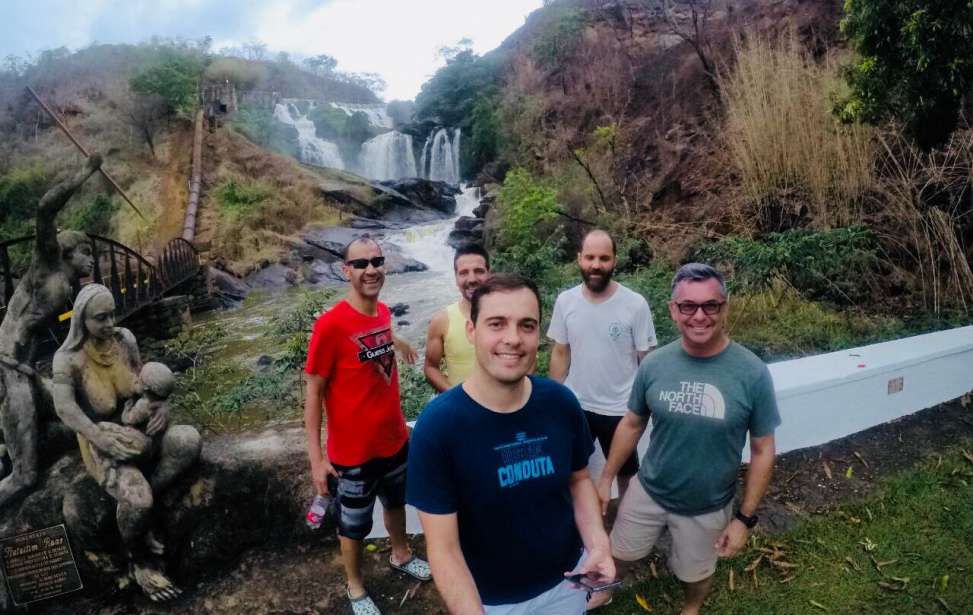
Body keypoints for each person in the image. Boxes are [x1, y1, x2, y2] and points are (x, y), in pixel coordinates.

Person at [408, 273, 616, 614]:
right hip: (489, 601)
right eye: (497, 324)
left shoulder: (561, 403)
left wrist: (597, 545)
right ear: (471, 331)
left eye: (527, 325)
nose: (513, 338)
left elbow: (578, 479)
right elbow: (443, 548)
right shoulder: (438, 427)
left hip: (568, 581)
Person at [590, 263, 781, 614]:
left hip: (707, 505)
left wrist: (745, 519)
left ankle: (692, 607)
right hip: (647, 491)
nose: (699, 316)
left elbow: (763, 448)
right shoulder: (655, 365)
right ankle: (607, 589)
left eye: (711, 305)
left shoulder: (751, 373)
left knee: (695, 573)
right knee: (621, 552)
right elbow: (632, 423)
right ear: (672, 311)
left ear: (725, 307)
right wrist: (605, 479)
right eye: (688, 306)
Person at [303, 237, 430, 615]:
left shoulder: (384, 312)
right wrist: (316, 458)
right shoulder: (329, 326)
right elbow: (313, 391)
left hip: (394, 439)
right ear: (346, 271)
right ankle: (355, 586)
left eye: (376, 261)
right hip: (352, 453)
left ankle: (401, 554)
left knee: (396, 504)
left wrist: (400, 342)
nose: (371, 269)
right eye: (360, 264)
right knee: (352, 527)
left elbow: (377, 335)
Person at [52, 284, 202, 602]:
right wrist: (97, 436)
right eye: (100, 318)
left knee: (188, 440)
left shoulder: (125, 340)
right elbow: (64, 408)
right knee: (140, 500)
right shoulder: (67, 360)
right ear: (81, 319)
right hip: (103, 445)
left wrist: (162, 406)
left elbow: (142, 384)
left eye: (112, 315)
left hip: (143, 433)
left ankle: (138, 509)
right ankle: (140, 562)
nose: (109, 324)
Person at [0, 154, 102, 508]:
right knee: (25, 477)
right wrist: (84, 172)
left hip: (27, 373)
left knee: (84, 417)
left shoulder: (72, 291)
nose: (92, 260)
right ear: (68, 252)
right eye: (86, 252)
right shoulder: (47, 265)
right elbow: (45, 209)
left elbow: (77, 341)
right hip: (7, 368)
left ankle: (10, 439)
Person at [548, 229, 656, 503]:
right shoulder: (566, 301)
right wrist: (552, 399)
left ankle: (626, 530)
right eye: (590, 257)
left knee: (627, 472)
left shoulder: (635, 305)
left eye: (604, 258)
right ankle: (577, 528)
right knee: (572, 467)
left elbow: (647, 360)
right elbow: (561, 352)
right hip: (577, 404)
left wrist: (646, 407)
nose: (596, 265)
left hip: (621, 408)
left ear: (615, 261)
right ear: (579, 259)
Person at [424, 244, 491, 391]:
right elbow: (430, 368)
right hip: (462, 411)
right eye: (464, 273)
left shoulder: (508, 315)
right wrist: (455, 397)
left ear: (489, 273)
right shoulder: (442, 321)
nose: (472, 279)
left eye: (479, 271)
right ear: (456, 278)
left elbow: (527, 359)